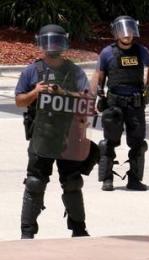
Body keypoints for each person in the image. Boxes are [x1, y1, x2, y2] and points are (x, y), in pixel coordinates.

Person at [15, 24, 97, 239]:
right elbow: (18, 100)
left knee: (72, 183)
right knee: (34, 183)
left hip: (69, 137)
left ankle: (79, 228)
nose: (52, 46)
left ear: (64, 43)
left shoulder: (74, 71)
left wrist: (65, 92)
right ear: (40, 43)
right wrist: (35, 91)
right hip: (42, 137)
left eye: (57, 41)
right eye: (48, 41)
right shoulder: (32, 71)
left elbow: (88, 100)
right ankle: (27, 232)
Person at [93, 15, 149, 191]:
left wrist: (147, 85)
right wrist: (100, 91)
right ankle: (107, 179)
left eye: (129, 31)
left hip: (135, 103)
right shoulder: (107, 52)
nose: (127, 35)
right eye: (123, 31)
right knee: (109, 142)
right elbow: (101, 72)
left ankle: (134, 180)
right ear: (116, 33)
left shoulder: (141, 50)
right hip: (114, 103)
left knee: (138, 143)